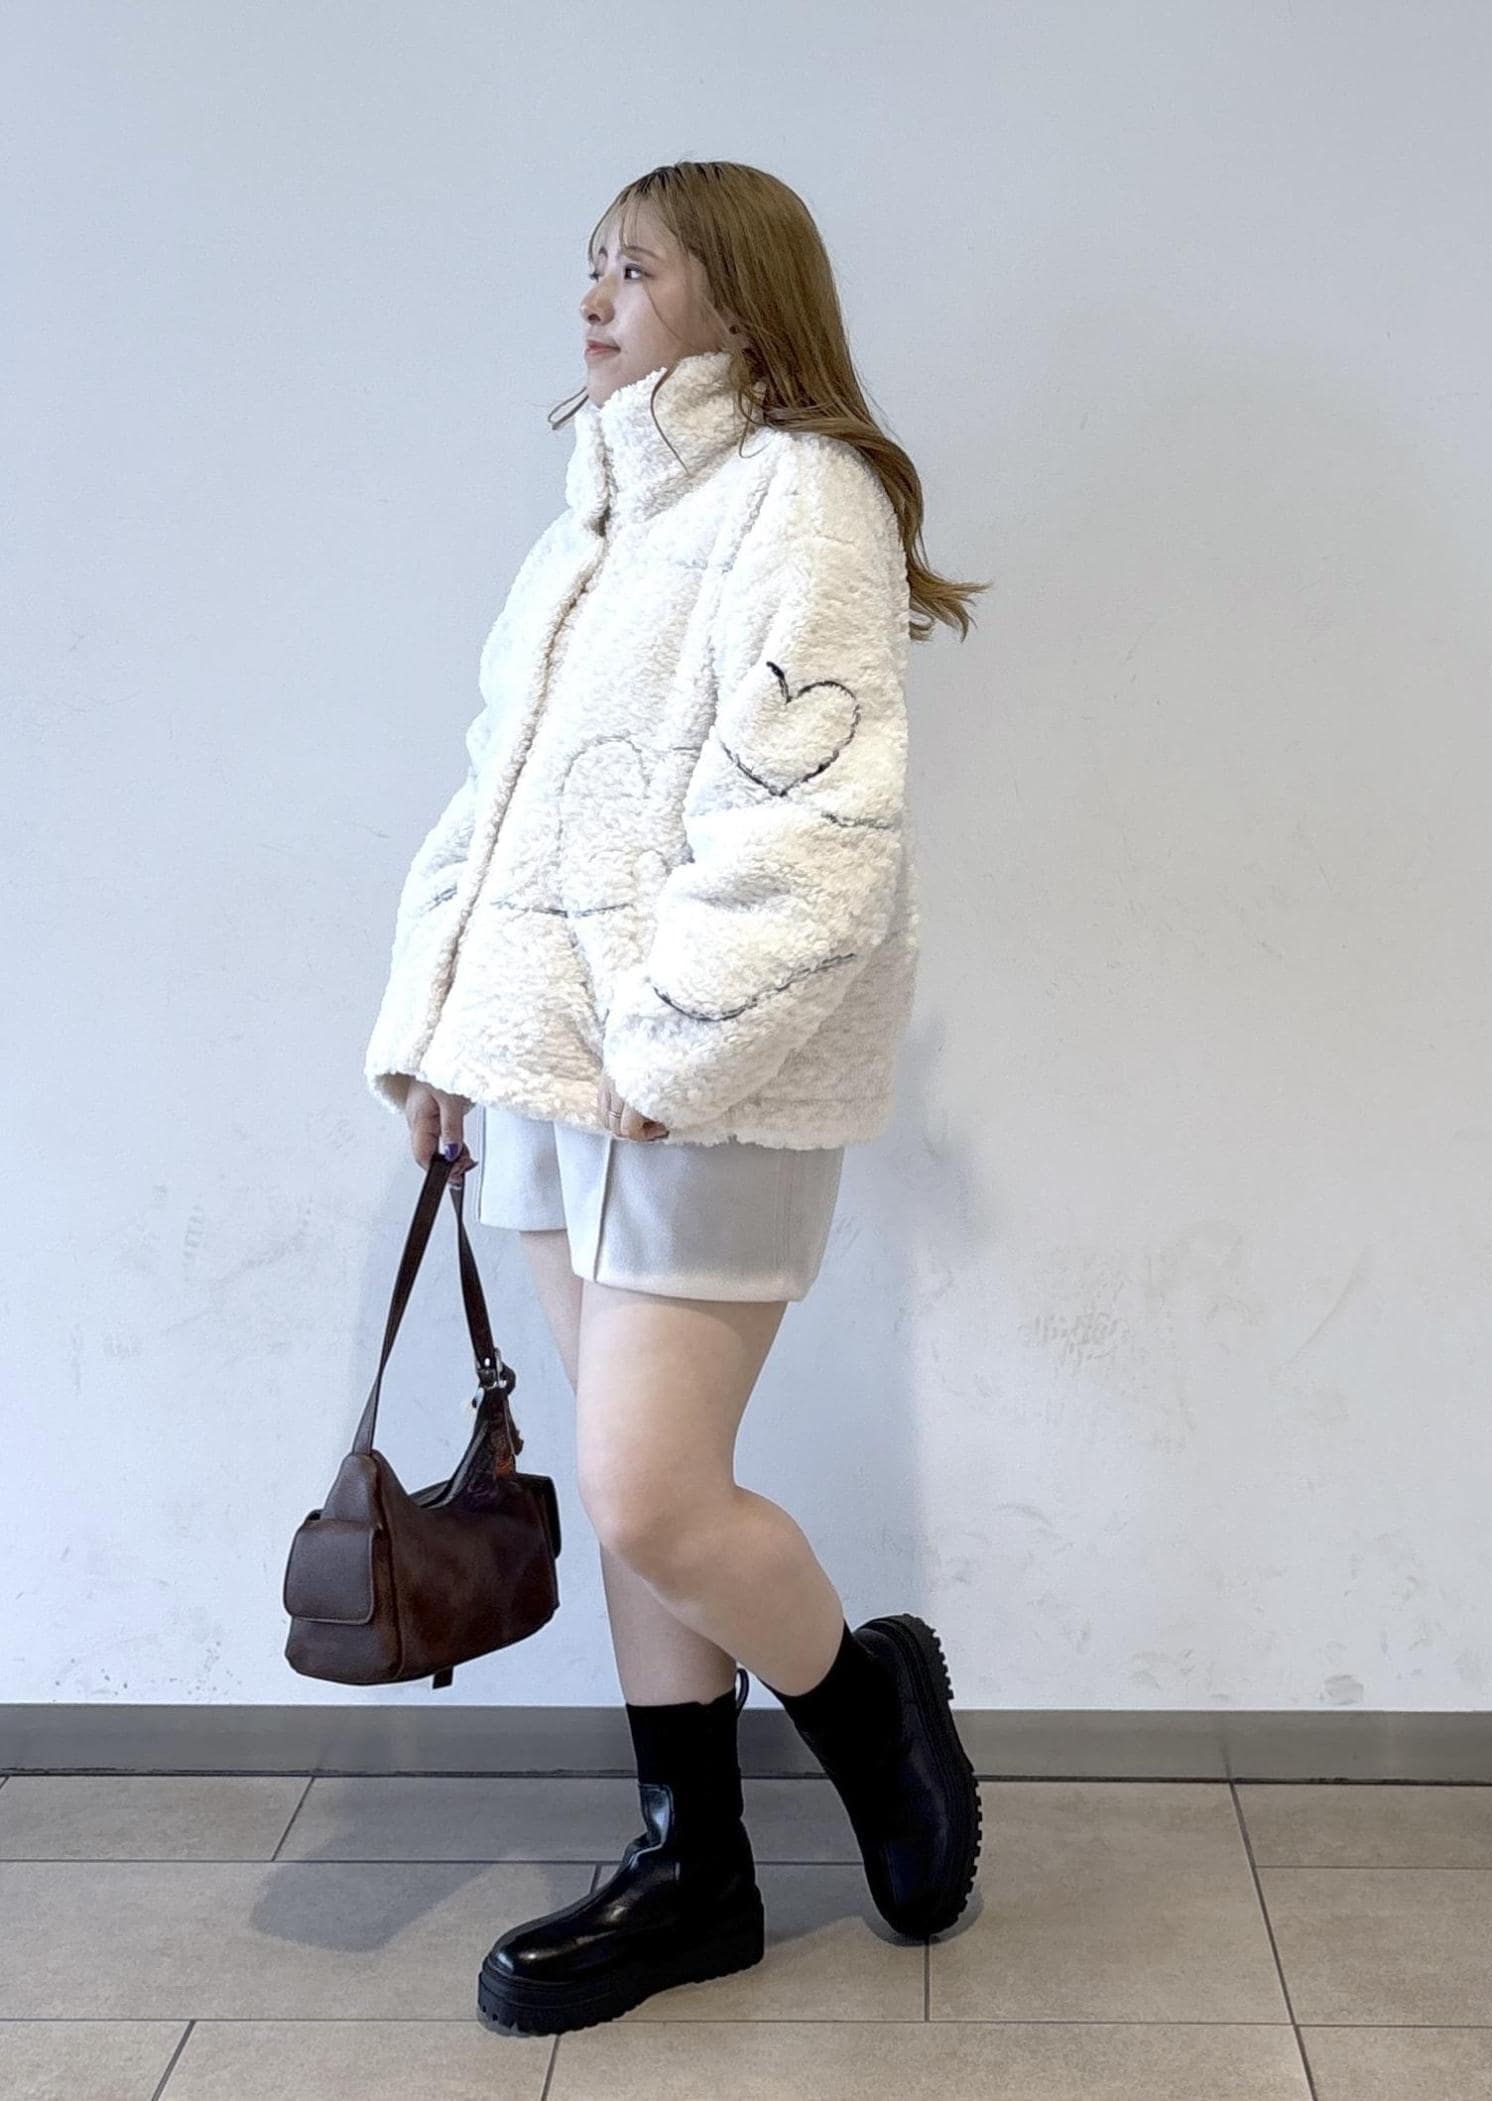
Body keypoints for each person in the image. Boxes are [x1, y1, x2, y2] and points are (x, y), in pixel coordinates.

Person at [363, 159, 990, 2038]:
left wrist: (672, 1049)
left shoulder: (803, 495)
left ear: (741, 296)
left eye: (634, 267)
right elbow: (494, 799)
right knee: (652, 1497)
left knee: (649, 1494)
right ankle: (690, 1865)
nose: (593, 297)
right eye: (592, 267)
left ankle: (869, 1702)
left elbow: (819, 818)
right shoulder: (588, 527)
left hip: (698, 1089)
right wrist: (440, 1034)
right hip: (550, 1078)